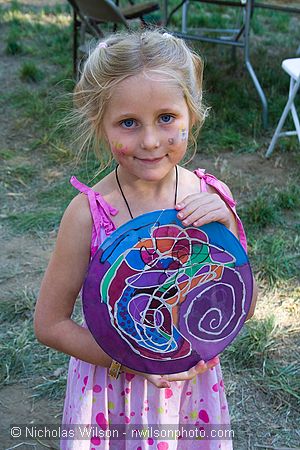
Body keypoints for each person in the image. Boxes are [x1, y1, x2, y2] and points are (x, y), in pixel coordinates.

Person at [34, 29, 257, 450]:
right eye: (128, 123)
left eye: (167, 118)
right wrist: (127, 363)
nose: (151, 141)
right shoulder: (88, 215)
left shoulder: (210, 199)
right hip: (112, 393)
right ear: (99, 124)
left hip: (191, 396)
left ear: (192, 112)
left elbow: (242, 309)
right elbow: (49, 324)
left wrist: (227, 230)